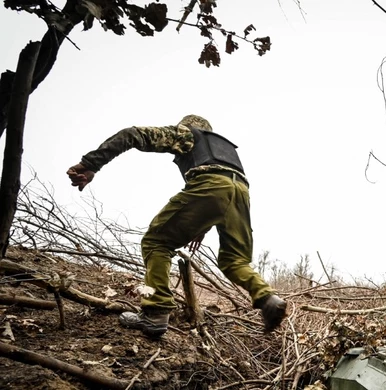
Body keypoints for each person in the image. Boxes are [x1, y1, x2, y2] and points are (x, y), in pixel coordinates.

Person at [66, 115, 287, 337]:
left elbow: (131, 135)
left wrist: (91, 164)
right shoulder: (225, 149)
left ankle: (155, 312)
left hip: (211, 186)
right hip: (241, 192)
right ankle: (267, 297)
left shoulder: (187, 134)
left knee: (156, 243)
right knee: (235, 260)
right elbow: (225, 188)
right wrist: (202, 225)